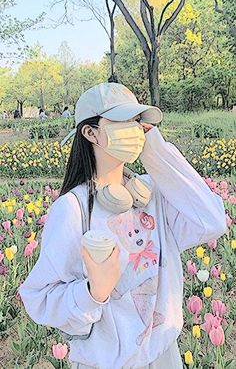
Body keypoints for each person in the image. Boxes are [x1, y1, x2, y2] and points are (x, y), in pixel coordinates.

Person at [19, 82, 227, 369]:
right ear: (91, 133)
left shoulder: (151, 193)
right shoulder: (73, 208)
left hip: (164, 353)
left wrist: (156, 153)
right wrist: (94, 292)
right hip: (107, 363)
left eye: (137, 121)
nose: (134, 129)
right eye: (122, 121)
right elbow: (39, 297)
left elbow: (211, 221)